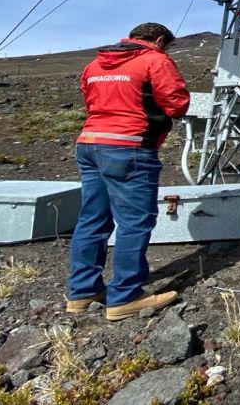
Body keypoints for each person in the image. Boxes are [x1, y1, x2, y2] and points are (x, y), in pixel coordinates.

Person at [67, 23, 189, 322]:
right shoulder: (155, 60)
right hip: (129, 147)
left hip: (90, 143)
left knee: (92, 219)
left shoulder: (94, 64)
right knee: (135, 222)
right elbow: (177, 103)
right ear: (159, 40)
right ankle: (125, 297)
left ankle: (81, 293)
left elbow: (91, 101)